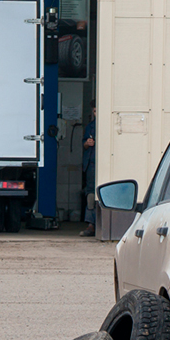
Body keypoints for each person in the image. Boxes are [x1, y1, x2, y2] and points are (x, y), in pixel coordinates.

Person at [80, 100, 96, 237]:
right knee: (90, 194)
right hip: (91, 165)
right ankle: (90, 224)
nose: (96, 114)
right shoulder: (90, 127)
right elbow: (83, 144)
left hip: (102, 163)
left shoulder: (106, 125)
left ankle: (99, 224)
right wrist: (87, 143)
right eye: (94, 111)